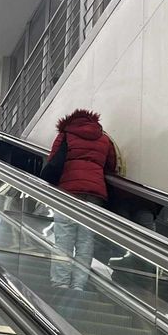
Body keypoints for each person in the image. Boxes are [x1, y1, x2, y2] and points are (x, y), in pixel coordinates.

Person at [44, 109, 116, 290]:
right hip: (94, 194)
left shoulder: (66, 135)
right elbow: (112, 166)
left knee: (64, 239)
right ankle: (79, 285)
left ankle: (60, 283)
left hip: (68, 193)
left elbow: (53, 160)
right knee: (86, 240)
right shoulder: (104, 139)